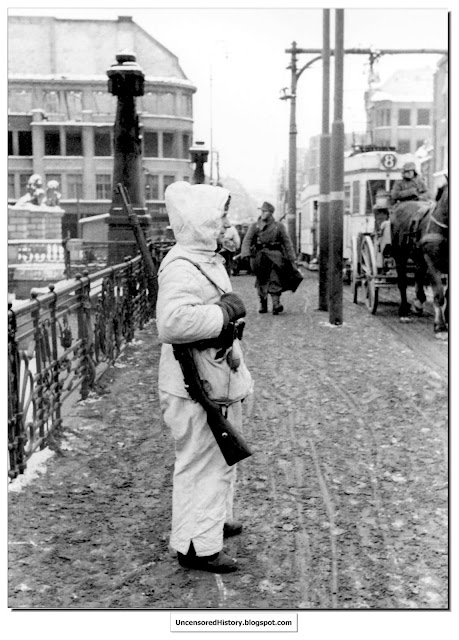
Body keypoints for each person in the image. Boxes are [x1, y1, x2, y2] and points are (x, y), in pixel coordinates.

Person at [156, 181, 253, 574]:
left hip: (215, 376)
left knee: (219, 462)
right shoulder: (183, 266)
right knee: (201, 464)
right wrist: (225, 314)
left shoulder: (203, 258)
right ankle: (197, 548)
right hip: (194, 384)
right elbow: (173, 322)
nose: (226, 225)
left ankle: (211, 524)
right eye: (220, 218)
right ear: (201, 223)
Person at [240, 201, 296, 314]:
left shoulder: (279, 226)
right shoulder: (255, 226)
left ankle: (276, 304)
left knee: (275, 279)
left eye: (265, 211)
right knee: (261, 281)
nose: (262, 213)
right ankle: (263, 305)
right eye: (261, 211)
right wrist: (245, 253)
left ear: (270, 213)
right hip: (259, 258)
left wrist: (292, 258)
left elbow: (287, 242)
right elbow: (247, 240)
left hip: (275, 257)